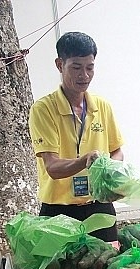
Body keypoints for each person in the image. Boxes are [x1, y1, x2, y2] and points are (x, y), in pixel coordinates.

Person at [29, 31, 124, 242]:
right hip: (58, 212)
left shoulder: (102, 106)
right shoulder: (43, 109)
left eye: (90, 68)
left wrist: (110, 171)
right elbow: (52, 167)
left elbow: (117, 151)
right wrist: (85, 160)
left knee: (105, 268)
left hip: (100, 207)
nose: (84, 75)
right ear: (59, 64)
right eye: (76, 67)